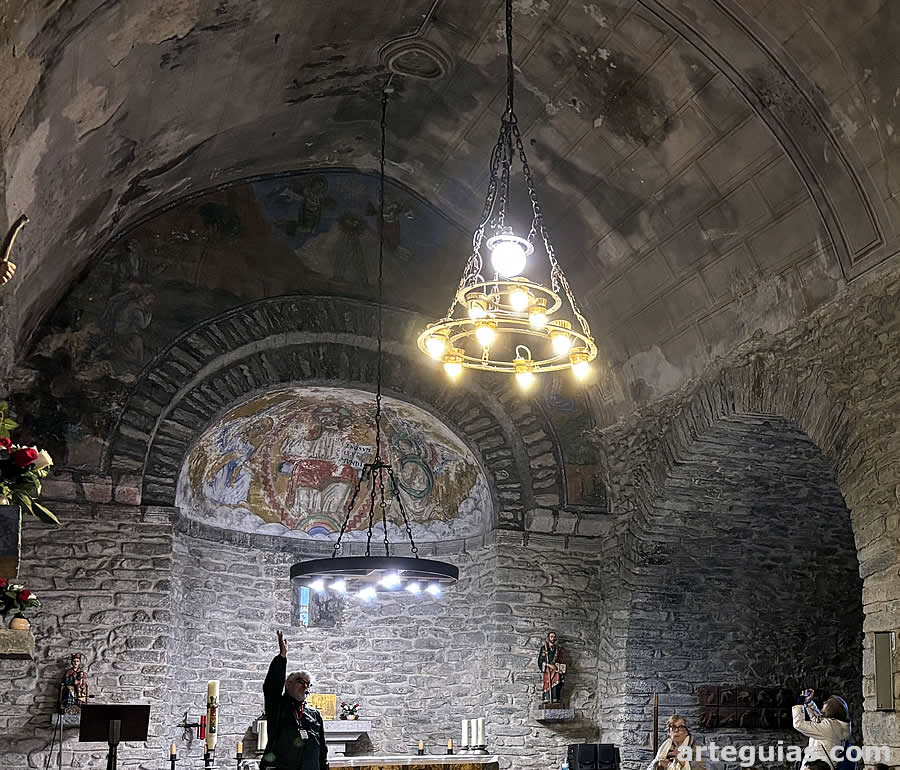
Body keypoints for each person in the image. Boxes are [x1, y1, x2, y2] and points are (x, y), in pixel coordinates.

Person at [261, 630, 328, 770]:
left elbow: (322, 747)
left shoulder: (314, 714)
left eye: (308, 684)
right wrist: (282, 658)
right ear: (288, 684)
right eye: (300, 681)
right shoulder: (278, 705)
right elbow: (272, 687)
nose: (305, 686)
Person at [792, 689, 851, 770]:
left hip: (815, 767)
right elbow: (818, 720)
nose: (824, 703)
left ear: (831, 709)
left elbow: (799, 724)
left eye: (826, 703)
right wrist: (809, 703)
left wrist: (799, 705)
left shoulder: (829, 728)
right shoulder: (838, 725)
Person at [538, 631, 565, 703]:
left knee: (557, 683)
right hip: (548, 670)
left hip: (556, 670)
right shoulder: (544, 648)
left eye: (554, 637)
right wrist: (548, 665)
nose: (553, 638)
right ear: (548, 638)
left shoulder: (558, 649)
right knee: (548, 684)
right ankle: (547, 698)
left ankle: (555, 699)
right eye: (551, 637)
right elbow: (540, 661)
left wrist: (559, 667)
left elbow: (561, 660)